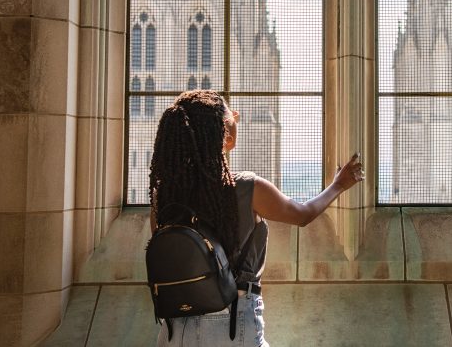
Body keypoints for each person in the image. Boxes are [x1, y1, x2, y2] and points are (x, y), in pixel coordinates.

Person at [149, 90, 364, 346]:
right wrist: (338, 185)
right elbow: (303, 215)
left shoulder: (163, 195)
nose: (236, 116)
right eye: (230, 113)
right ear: (220, 128)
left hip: (173, 329)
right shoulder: (247, 188)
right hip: (231, 324)